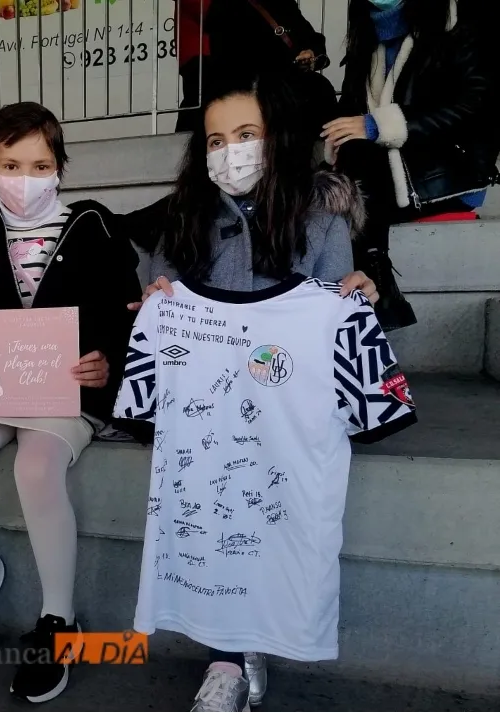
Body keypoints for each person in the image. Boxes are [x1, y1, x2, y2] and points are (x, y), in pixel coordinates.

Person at [124, 68, 380, 711]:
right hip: (210, 424)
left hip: (284, 419)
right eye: (214, 139)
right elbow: (163, 322)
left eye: (244, 133)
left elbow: (335, 328)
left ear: (275, 139)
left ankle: (249, 642)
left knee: (274, 514)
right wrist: (157, 308)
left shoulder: (322, 224)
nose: (228, 150)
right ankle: (229, 657)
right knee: (215, 515)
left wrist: (357, 303)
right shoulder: (179, 224)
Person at [0, 102, 142, 703]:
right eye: (12, 164)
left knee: (35, 467)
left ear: (61, 167)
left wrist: (105, 360)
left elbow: (125, 310)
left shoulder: (94, 226)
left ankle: (59, 622)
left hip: (65, 388)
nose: (26, 177)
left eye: (41, 164)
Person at [322, 0, 500, 332]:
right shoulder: (368, 39)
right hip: (382, 175)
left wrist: (379, 126)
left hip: (448, 170)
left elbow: (476, 107)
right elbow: (352, 113)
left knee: (356, 169)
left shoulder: (458, 23)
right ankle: (369, 297)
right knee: (329, 182)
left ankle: (379, 291)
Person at [174, 0, 337, 136]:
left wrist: (310, 52)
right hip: (223, 82)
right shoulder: (217, 7)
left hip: (275, 83)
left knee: (319, 89)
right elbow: (232, 36)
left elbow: (305, 33)